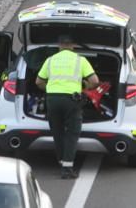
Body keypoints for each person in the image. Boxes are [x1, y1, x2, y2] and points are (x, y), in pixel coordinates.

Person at [36, 35, 99, 179]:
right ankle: (67, 168)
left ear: (59, 46)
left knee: (57, 131)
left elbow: (38, 82)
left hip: (52, 99)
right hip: (72, 99)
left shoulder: (50, 60)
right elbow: (95, 81)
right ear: (73, 45)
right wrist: (85, 86)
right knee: (72, 132)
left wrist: (50, 89)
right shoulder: (80, 60)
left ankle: (61, 160)